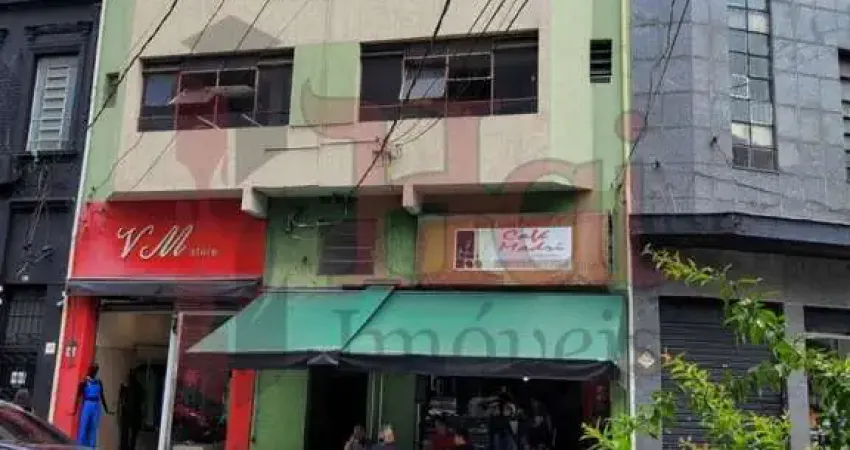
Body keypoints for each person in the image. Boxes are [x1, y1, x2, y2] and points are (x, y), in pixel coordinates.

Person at [73, 363, 111, 448]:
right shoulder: (84, 382)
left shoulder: (99, 382)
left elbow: (102, 396)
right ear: (90, 370)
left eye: (96, 370)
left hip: (96, 406)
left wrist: (106, 409)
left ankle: (91, 447)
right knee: (83, 427)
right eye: (94, 369)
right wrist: (74, 409)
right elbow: (78, 397)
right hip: (87, 404)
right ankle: (80, 447)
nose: (95, 371)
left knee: (93, 429)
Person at [118, 370, 145, 450]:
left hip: (130, 414)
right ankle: (130, 447)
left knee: (127, 433)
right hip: (135, 414)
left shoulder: (131, 388)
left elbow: (128, 402)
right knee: (132, 435)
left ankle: (126, 447)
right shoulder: (138, 388)